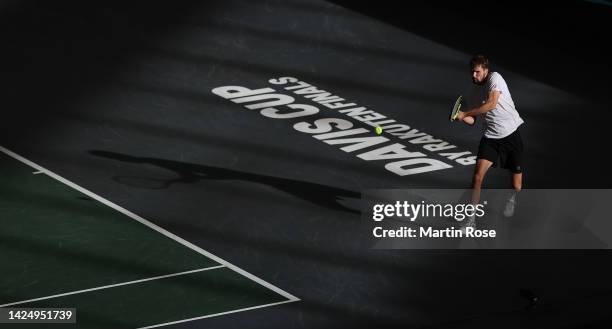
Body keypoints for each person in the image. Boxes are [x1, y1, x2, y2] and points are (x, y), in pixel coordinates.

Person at [455, 54, 525, 228]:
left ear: (486, 71)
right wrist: (461, 117)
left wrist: (466, 113)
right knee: (477, 178)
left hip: (511, 134)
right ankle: (471, 220)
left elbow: (492, 103)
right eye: (472, 72)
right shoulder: (474, 92)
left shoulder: (495, 78)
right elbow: (473, 121)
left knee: (516, 186)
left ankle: (512, 197)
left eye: (477, 72)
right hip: (491, 138)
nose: (474, 75)